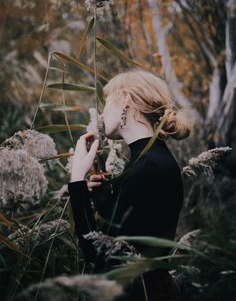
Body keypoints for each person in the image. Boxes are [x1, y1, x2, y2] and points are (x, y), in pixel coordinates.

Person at [67, 69, 193, 301]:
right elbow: (131, 234)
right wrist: (107, 201)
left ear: (125, 100)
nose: (102, 114)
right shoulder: (149, 160)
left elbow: (101, 259)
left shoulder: (148, 167)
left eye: (106, 102)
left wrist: (76, 181)